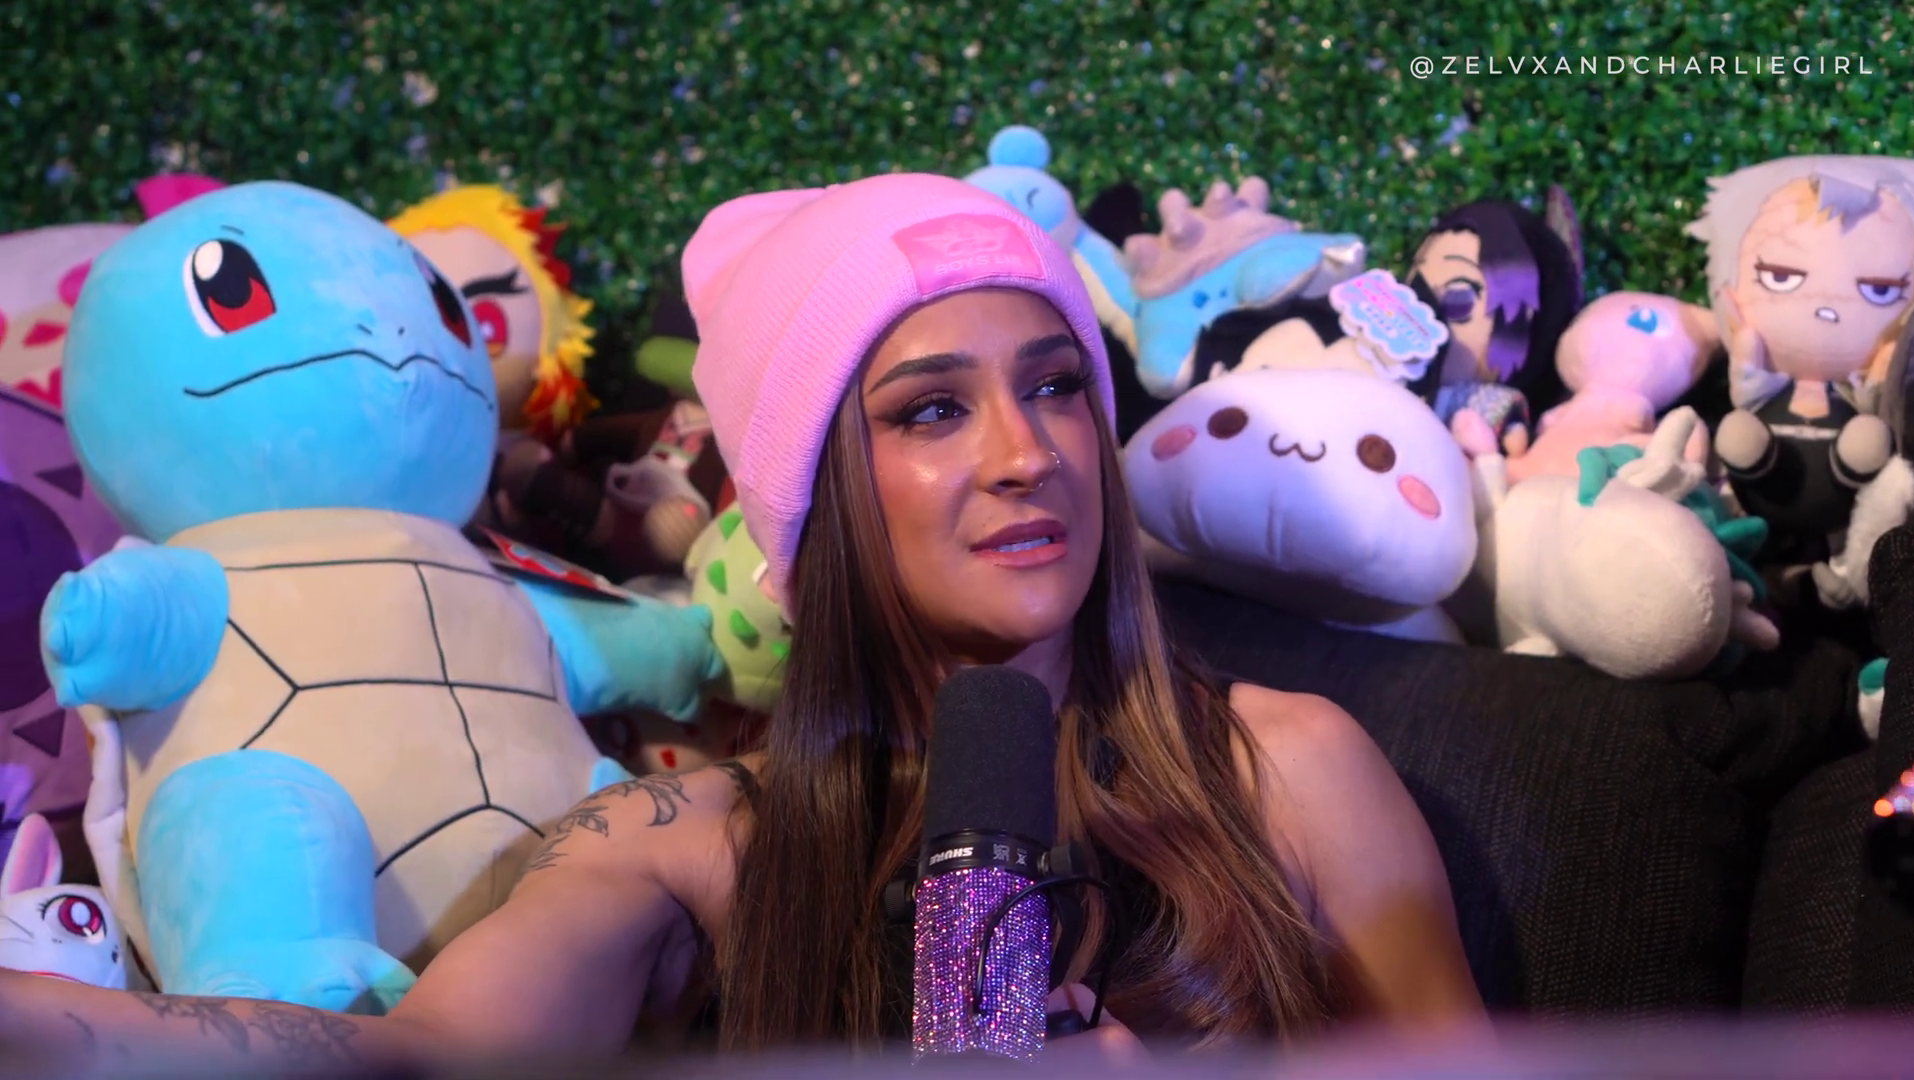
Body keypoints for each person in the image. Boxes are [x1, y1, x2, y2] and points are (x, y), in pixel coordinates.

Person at [0, 174, 1483, 1072]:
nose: (1026, 453)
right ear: (813, 500)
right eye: (932, 411)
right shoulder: (693, 836)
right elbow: (425, 1058)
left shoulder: (1285, 767)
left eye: (1053, 387)